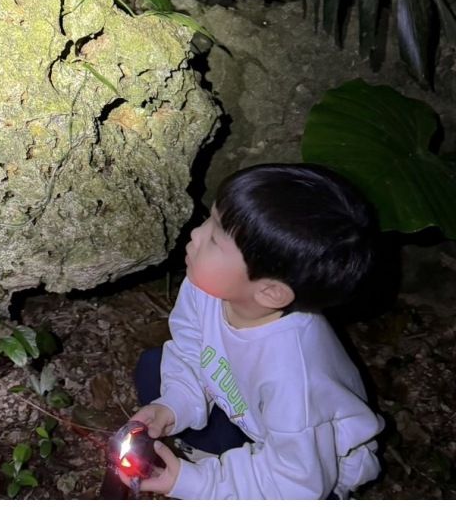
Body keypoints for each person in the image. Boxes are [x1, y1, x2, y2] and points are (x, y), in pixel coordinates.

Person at [123, 163, 385, 499]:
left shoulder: (294, 376)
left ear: (270, 292)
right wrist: (173, 405)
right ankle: (227, 467)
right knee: (153, 366)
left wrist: (194, 483)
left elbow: (296, 484)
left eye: (215, 239)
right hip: (251, 419)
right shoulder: (209, 286)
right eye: (210, 218)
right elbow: (190, 350)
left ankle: (228, 476)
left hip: (313, 473)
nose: (196, 234)